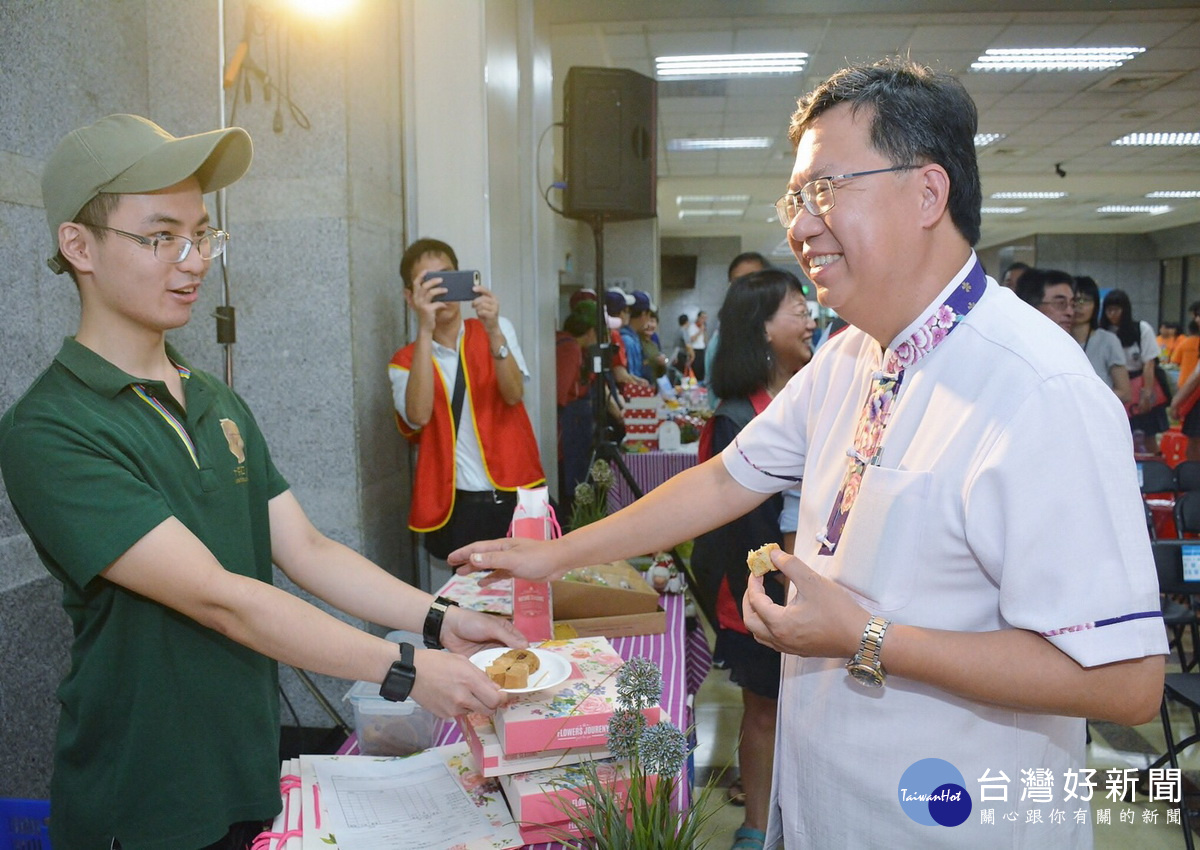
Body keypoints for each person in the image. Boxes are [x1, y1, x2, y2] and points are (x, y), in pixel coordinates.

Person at [451, 58, 1165, 848]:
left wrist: (865, 636)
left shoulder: (1038, 390)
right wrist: (553, 558)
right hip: (830, 803)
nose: (799, 225)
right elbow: (725, 477)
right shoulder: (855, 354)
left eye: (827, 189)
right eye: (796, 197)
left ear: (928, 193)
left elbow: (1126, 682)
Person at [0, 114, 526, 850]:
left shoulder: (215, 399)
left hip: (246, 764)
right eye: (160, 238)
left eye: (203, 234)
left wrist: (439, 618)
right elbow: (223, 600)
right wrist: (408, 668)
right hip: (147, 793)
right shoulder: (52, 427)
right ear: (79, 246)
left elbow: (306, 549)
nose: (193, 262)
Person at [690, 269, 815, 850]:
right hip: (760, 595)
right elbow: (727, 526)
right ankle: (757, 827)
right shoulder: (737, 418)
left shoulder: (815, 396)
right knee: (763, 710)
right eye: (796, 308)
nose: (810, 317)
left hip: (819, 593)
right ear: (762, 329)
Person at [389, 238, 545, 560]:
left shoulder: (497, 329)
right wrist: (425, 331)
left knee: (527, 593)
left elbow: (514, 394)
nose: (441, 291)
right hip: (457, 506)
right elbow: (417, 416)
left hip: (514, 493)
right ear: (410, 296)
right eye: (429, 283)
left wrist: (494, 333)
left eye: (447, 277)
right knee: (466, 601)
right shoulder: (404, 360)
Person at [1100, 287, 1170, 450]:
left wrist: (1147, 393)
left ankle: (1151, 467)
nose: (1112, 314)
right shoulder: (1103, 333)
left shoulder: (1141, 329)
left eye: (1116, 309)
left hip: (1140, 384)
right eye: (1109, 310)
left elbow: (1149, 363)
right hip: (1114, 386)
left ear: (1125, 310)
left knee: (1148, 433)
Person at [556, 300, 599, 518]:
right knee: (573, 479)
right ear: (591, 331)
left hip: (573, 418)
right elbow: (561, 392)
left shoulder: (564, 341)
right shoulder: (570, 347)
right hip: (572, 420)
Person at [705, 252, 770, 392]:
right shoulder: (720, 341)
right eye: (738, 283)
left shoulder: (788, 330)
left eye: (753, 280)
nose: (746, 289)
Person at [1070, 274, 1131, 405]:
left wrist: (1088, 401)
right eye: (1074, 300)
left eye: (1085, 300)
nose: (1078, 306)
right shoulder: (1056, 340)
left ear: (1096, 305)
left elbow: (1124, 392)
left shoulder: (1108, 341)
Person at [688, 310, 709, 382]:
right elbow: (692, 339)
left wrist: (704, 332)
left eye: (705, 318)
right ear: (698, 317)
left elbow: (705, 340)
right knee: (695, 371)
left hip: (702, 350)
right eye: (702, 318)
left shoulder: (703, 327)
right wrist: (700, 331)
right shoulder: (692, 326)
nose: (704, 320)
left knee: (702, 369)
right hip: (694, 351)